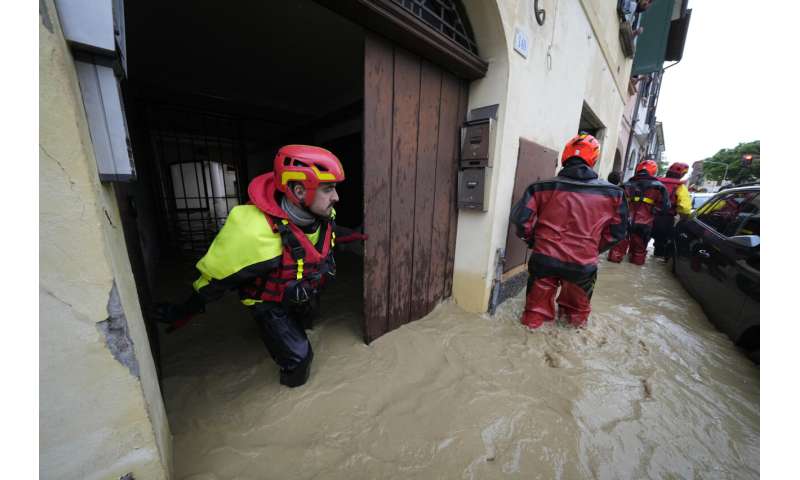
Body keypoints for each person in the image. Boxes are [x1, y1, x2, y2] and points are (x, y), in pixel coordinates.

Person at [154, 145, 355, 388]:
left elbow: (327, 237)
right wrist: (183, 311)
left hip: (301, 291)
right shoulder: (253, 232)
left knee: (308, 323)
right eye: (328, 189)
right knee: (300, 360)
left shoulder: (324, 214)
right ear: (299, 190)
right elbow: (214, 280)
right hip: (270, 304)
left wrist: (361, 235)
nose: (337, 197)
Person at [510, 133, 628, 329]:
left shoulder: (540, 187)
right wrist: (591, 249)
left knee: (533, 317)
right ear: (593, 159)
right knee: (575, 319)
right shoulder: (614, 194)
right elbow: (617, 233)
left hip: (544, 259)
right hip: (582, 265)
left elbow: (522, 222)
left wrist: (534, 242)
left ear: (565, 156)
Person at [607, 159, 669, 265]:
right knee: (638, 254)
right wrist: (652, 211)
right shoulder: (660, 187)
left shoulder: (626, 184)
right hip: (644, 224)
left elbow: (616, 204)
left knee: (616, 252)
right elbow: (664, 207)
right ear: (653, 171)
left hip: (624, 222)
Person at [652, 162, 691, 260]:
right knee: (660, 250)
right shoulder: (680, 187)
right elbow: (685, 208)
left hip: (648, 216)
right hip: (666, 220)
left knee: (639, 246)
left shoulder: (656, 182)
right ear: (682, 175)